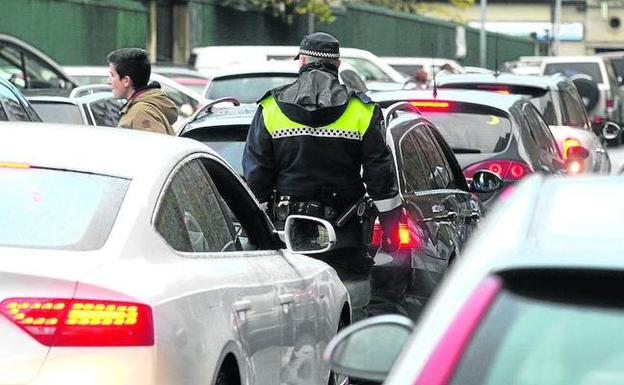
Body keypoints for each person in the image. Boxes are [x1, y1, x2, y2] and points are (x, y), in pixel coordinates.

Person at [243, 32, 402, 321]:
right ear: (337, 64)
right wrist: (391, 227)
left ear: (302, 61)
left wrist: (255, 230)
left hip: (286, 233)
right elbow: (381, 177)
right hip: (344, 234)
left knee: (286, 309)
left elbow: (256, 177)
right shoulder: (362, 110)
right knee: (347, 305)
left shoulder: (270, 107)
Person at [107, 48, 177, 135]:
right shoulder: (142, 108)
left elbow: (157, 147)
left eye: (112, 75)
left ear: (126, 81)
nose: (108, 81)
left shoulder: (142, 112)